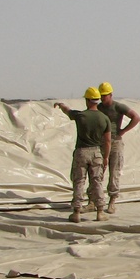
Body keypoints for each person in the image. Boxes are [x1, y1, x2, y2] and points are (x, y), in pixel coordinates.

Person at [54, 87, 111, 223]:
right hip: (97, 152)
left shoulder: (80, 116)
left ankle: (76, 212)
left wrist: (61, 105)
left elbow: (68, 111)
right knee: (97, 181)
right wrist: (106, 157)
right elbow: (108, 141)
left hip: (81, 152)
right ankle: (100, 212)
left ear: (87, 100)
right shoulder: (104, 118)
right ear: (97, 100)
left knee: (79, 181)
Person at [97, 81, 140, 214]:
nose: (103, 98)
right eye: (101, 96)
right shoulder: (99, 108)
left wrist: (123, 131)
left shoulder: (118, 107)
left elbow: (136, 117)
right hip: (101, 142)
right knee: (97, 172)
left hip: (115, 142)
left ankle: (112, 201)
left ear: (111, 95)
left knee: (114, 172)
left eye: (105, 95)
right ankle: (94, 200)